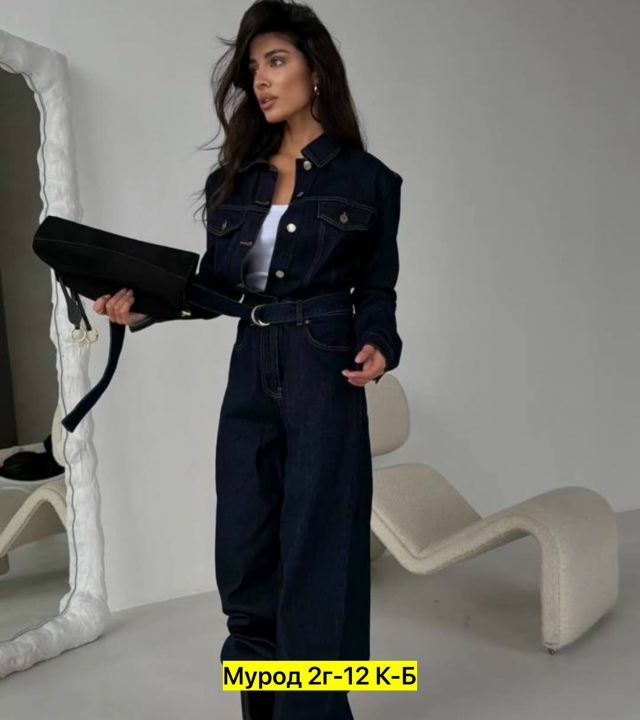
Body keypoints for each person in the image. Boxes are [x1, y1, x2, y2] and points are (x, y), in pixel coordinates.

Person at [93, 2, 403, 718]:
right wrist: (144, 308)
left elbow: (377, 287)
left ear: (316, 72)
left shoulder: (368, 180)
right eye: (253, 67)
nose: (260, 80)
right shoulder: (234, 179)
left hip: (324, 366)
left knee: (318, 553)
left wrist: (381, 343)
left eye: (276, 61)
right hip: (251, 367)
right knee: (244, 549)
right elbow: (215, 288)